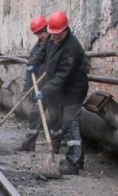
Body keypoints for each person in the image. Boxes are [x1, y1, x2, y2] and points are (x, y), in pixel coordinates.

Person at [31, 11, 89, 175]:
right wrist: (33, 63)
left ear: (65, 30)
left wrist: (44, 91)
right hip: (61, 90)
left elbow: (63, 76)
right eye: (53, 34)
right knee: (64, 123)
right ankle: (74, 158)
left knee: (70, 124)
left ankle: (74, 163)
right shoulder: (52, 37)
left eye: (58, 35)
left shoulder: (72, 48)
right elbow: (43, 51)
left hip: (74, 90)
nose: (54, 38)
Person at [18, 15, 51, 152]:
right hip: (40, 88)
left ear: (47, 29)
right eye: (36, 34)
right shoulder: (36, 48)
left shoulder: (55, 44)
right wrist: (26, 90)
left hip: (55, 88)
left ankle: (54, 147)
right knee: (34, 115)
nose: (39, 36)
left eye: (41, 33)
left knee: (57, 119)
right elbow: (29, 72)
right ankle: (28, 145)